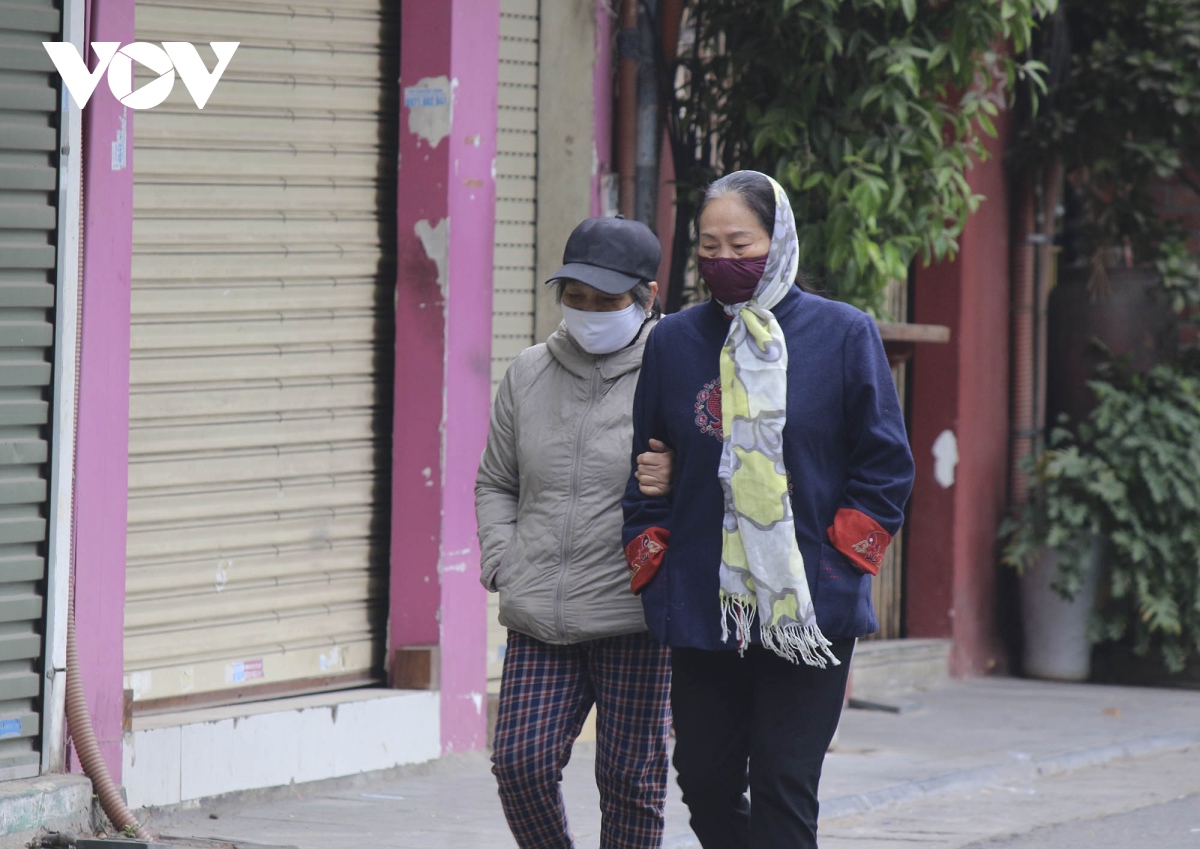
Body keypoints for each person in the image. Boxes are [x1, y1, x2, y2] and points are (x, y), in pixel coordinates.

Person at [621, 170, 916, 848]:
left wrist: (840, 563)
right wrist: (655, 563)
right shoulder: (673, 342)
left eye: (741, 243)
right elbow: (645, 466)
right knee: (703, 777)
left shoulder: (843, 335)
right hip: (705, 600)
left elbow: (885, 467)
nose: (724, 261)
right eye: (708, 246)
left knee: (785, 781)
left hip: (807, 607)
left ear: (778, 240)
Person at [476, 215, 675, 849]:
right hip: (540, 613)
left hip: (635, 614)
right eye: (575, 297)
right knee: (519, 765)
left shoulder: (678, 372)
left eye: (607, 300)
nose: (588, 311)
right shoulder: (528, 373)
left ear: (645, 297)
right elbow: (495, 482)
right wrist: (504, 560)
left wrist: (678, 474)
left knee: (630, 782)